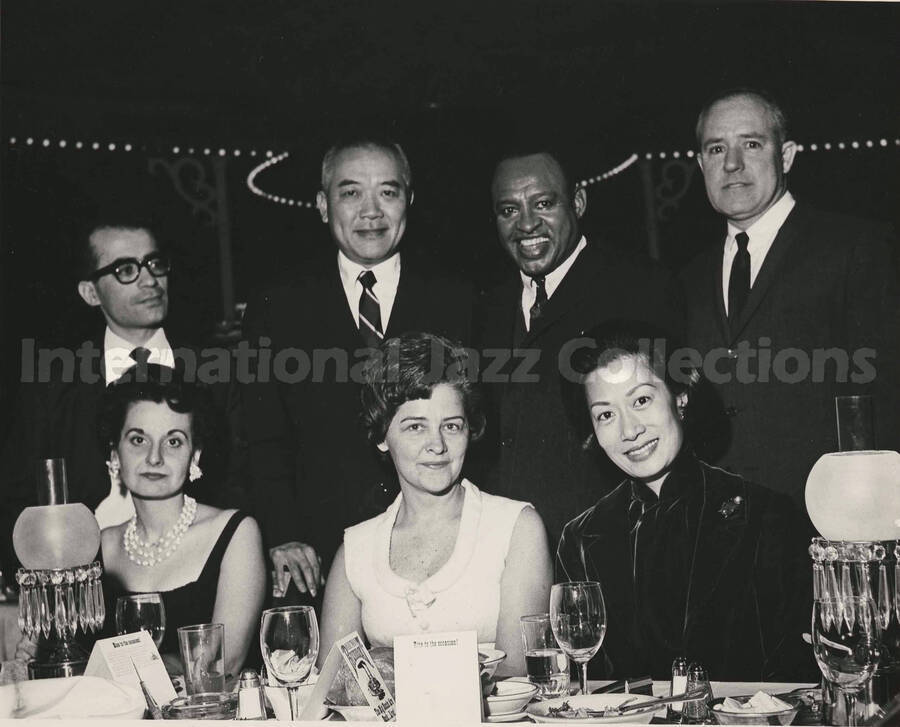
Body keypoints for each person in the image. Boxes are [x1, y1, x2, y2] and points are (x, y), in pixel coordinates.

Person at [241, 138, 472, 601]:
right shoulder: (277, 306)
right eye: (351, 193)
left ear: (409, 200)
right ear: (323, 206)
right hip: (316, 559)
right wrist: (282, 532)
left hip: (443, 550)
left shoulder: (460, 299)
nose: (371, 211)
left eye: (388, 192)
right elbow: (259, 433)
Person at [682, 88, 900, 516]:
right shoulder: (687, 279)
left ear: (786, 156)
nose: (732, 163)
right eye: (716, 148)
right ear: (701, 164)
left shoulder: (856, 247)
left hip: (829, 526)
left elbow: (885, 397)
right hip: (721, 531)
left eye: (751, 144)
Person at [556, 322, 813, 681]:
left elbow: (799, 676)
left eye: (641, 400)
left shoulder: (767, 516)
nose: (629, 431)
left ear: (680, 397)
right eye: (606, 415)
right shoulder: (581, 539)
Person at [475, 147, 684, 547]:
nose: (527, 224)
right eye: (509, 210)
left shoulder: (642, 287)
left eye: (543, 203)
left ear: (578, 202)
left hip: (614, 549)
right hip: (507, 552)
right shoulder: (487, 306)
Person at [318, 332, 551, 677]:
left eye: (452, 426)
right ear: (382, 436)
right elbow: (332, 684)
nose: (437, 445)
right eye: (415, 427)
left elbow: (518, 675)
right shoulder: (355, 548)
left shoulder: (516, 527)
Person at [0, 214, 213, 575]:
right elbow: (17, 501)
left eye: (155, 263)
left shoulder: (215, 372)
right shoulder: (52, 386)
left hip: (198, 570)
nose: (150, 280)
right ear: (90, 292)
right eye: (126, 270)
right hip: (89, 583)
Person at [98, 364, 266, 679]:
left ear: (196, 456)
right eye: (138, 440)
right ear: (115, 454)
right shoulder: (99, 546)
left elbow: (221, 666)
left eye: (173, 441)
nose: (154, 457)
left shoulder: (234, 533)